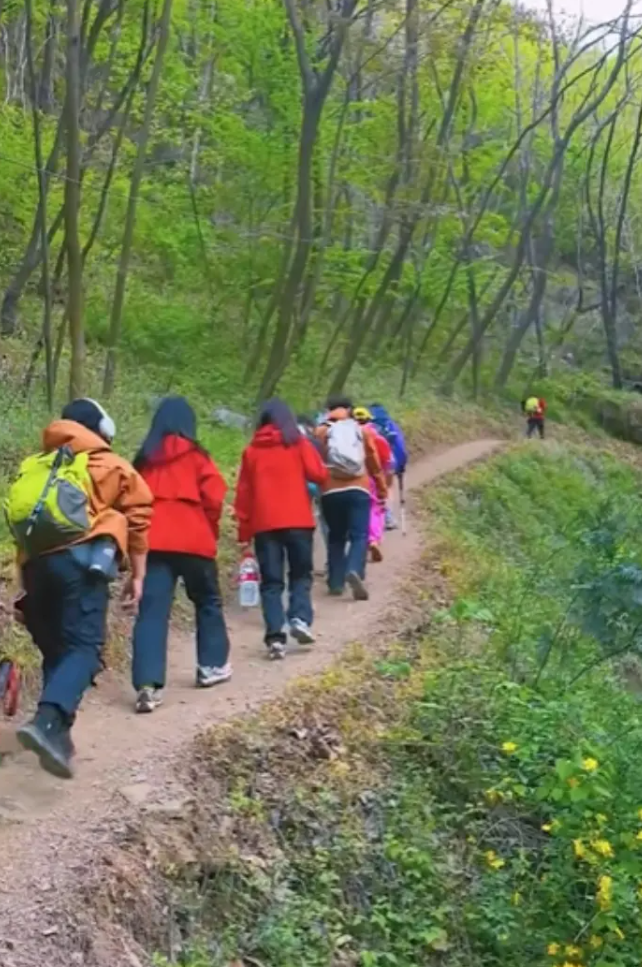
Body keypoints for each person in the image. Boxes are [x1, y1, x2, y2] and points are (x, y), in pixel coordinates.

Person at [14, 398, 153, 778]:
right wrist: (137, 575)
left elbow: (23, 528)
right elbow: (139, 517)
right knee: (84, 648)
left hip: (36, 568)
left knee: (58, 649)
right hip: (80, 565)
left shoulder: (36, 465)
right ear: (100, 431)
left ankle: (57, 736)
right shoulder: (108, 464)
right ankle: (46, 722)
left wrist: (23, 584)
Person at [131, 397, 232, 713]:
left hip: (153, 542)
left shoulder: (144, 460)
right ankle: (211, 666)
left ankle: (147, 686)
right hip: (194, 540)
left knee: (152, 611)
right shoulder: (198, 457)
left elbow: (131, 504)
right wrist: (209, 532)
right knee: (208, 601)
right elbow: (214, 498)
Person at [235, 399, 327, 660]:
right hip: (298, 521)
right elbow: (318, 474)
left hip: (264, 525)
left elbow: (244, 495)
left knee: (272, 583)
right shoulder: (298, 444)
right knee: (300, 575)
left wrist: (244, 534)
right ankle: (299, 618)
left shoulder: (251, 451)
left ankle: (275, 638)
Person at [315, 396, 387, 601]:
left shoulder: (321, 432)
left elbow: (313, 458)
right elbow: (373, 460)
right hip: (359, 489)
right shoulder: (361, 431)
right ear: (349, 410)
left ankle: (336, 583)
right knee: (359, 535)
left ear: (329, 410)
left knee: (336, 536)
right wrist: (381, 487)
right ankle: (354, 569)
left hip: (329, 491)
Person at [353, 407, 392, 563]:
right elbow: (387, 463)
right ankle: (373, 539)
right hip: (372, 479)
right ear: (369, 420)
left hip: (352, 479)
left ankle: (358, 542)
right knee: (375, 510)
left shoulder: (346, 436)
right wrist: (385, 485)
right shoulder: (377, 437)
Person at [369, 404, 409, 530]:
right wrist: (401, 466)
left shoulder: (364, 424)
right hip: (387, 463)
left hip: (368, 463)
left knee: (371, 489)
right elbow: (400, 448)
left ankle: (370, 519)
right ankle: (388, 518)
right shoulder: (389, 424)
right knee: (387, 488)